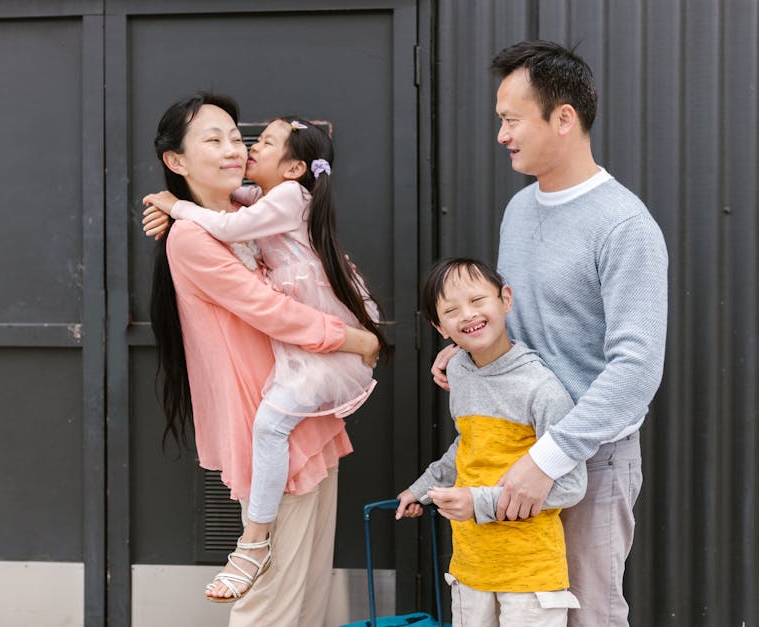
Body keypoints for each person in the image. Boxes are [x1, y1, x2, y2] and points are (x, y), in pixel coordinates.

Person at [431, 41, 668, 626]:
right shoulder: (519, 209)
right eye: (500, 121)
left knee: (588, 612)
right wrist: (466, 346)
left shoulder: (625, 225)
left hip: (589, 456)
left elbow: (637, 368)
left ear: (563, 118)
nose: (502, 134)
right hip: (509, 449)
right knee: (513, 605)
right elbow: (524, 319)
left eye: (512, 120)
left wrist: (549, 457)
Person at [143, 93, 380, 625]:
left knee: (307, 588)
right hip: (270, 418)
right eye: (213, 139)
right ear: (175, 161)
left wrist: (173, 204)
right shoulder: (194, 236)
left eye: (236, 137)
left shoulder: (243, 210)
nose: (234, 149)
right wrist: (354, 339)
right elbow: (268, 310)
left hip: (302, 411)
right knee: (273, 604)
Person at [397, 258, 585, 626]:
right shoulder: (459, 370)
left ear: (506, 300)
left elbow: (571, 486)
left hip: (530, 575)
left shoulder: (542, 388)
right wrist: (422, 488)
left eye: (478, 300)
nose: (467, 315)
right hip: (470, 567)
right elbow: (468, 445)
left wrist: (478, 502)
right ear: (439, 326)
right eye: (451, 310)